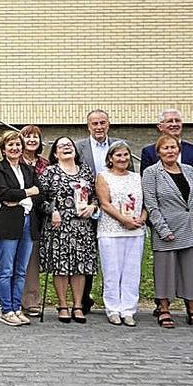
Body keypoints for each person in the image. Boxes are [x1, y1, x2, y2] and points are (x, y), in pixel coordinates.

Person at [142, 134, 193, 329]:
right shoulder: (151, 173)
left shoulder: (189, 170)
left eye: (173, 147)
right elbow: (151, 204)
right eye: (165, 148)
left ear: (178, 150)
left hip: (189, 229)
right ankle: (164, 309)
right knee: (164, 271)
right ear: (158, 152)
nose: (170, 151)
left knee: (192, 271)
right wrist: (162, 229)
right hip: (166, 230)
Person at [38, 136, 99, 324]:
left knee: (80, 267)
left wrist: (92, 207)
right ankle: (63, 305)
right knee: (61, 267)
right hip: (59, 227)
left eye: (69, 145)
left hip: (82, 227)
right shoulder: (49, 172)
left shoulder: (86, 171)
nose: (66, 147)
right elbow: (40, 199)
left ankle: (78, 305)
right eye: (61, 146)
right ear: (55, 153)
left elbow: (96, 197)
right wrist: (52, 211)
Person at [74, 109, 127, 314]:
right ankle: (85, 299)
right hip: (86, 208)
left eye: (102, 123)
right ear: (88, 126)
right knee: (87, 255)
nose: (99, 127)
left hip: (115, 209)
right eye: (94, 124)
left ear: (108, 125)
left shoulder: (118, 146)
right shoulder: (79, 147)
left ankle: (115, 300)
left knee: (114, 257)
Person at [0, 131, 41, 326]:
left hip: (28, 222)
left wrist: (16, 199)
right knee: (6, 269)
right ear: (3, 149)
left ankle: (17, 308)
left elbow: (40, 194)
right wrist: (26, 193)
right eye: (10, 145)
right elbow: (3, 193)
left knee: (21, 270)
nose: (15, 148)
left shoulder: (29, 170)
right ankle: (6, 309)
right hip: (7, 224)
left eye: (18, 145)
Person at [95, 141, 147, 327]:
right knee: (112, 271)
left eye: (125, 155)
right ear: (110, 158)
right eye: (118, 155)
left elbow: (146, 203)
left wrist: (141, 218)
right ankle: (113, 309)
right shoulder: (103, 176)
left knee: (132, 272)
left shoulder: (137, 177)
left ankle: (128, 309)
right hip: (111, 231)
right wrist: (123, 219)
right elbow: (105, 203)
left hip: (135, 231)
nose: (122, 158)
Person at [20, 125, 50, 317]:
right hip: (17, 214)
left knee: (33, 259)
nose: (32, 140)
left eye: (35, 137)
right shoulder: (14, 161)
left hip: (40, 215)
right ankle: (15, 300)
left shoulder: (45, 163)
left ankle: (31, 300)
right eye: (27, 137)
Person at [140, 108, 193, 173]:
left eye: (177, 121)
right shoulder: (149, 152)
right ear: (160, 127)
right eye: (170, 121)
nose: (174, 124)